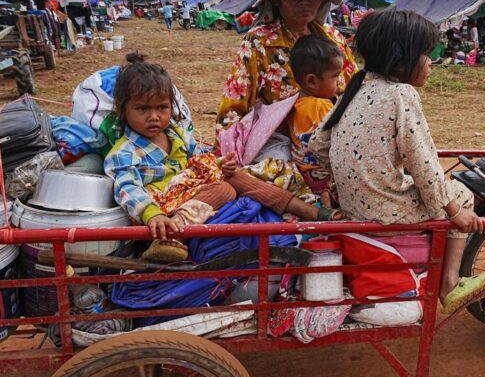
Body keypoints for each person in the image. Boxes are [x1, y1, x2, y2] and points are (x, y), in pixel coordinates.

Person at [309, 10, 485, 313]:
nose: (430, 63)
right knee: (460, 193)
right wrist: (453, 211)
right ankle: (450, 281)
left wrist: (347, 176)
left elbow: (318, 143)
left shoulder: (356, 88)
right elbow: (423, 162)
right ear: (401, 60)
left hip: (353, 204)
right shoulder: (401, 94)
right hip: (387, 209)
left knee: (434, 189)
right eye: (426, 55)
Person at [104, 54, 343, 261]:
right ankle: (172, 239)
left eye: (162, 108)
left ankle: (309, 211)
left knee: (237, 176)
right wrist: (152, 214)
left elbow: (199, 160)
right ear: (123, 109)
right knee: (225, 190)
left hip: (189, 193)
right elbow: (127, 189)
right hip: (161, 216)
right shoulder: (123, 153)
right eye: (143, 109)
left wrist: (220, 163)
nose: (154, 117)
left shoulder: (175, 134)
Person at [217, 0, 357, 130]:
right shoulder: (260, 42)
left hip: (336, 134)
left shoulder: (333, 38)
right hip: (280, 143)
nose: (304, 1)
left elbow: (355, 90)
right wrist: (230, 147)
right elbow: (233, 108)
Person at [287, 34, 342, 197]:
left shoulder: (293, 103)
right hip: (322, 178)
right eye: (336, 76)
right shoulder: (321, 106)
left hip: (303, 174)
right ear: (312, 81)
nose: (339, 82)